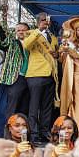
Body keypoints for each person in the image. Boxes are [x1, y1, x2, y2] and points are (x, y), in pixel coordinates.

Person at [23, 13, 59, 143]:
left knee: (47, 107)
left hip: (51, 75)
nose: (46, 22)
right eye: (43, 20)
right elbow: (26, 46)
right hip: (35, 74)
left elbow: (56, 54)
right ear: (38, 22)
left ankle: (45, 132)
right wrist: (39, 30)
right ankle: (33, 134)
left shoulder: (53, 37)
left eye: (47, 20)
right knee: (34, 106)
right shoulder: (31, 33)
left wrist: (57, 54)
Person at [0, 21, 30, 121]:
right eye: (18, 30)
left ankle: (22, 128)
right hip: (16, 77)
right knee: (12, 106)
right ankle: (8, 128)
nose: (21, 32)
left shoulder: (33, 42)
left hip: (30, 77)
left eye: (23, 30)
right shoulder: (12, 42)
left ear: (29, 31)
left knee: (25, 107)